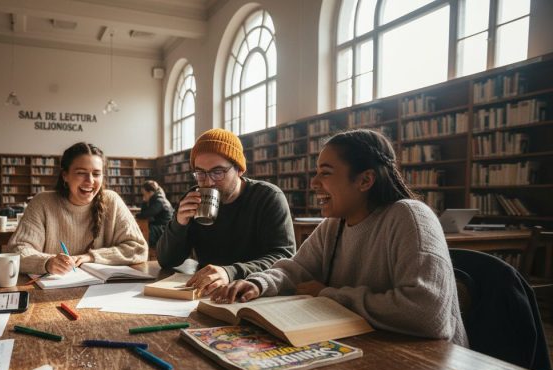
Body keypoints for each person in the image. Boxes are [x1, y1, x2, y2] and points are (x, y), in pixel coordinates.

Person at [214, 129, 467, 346]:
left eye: (325, 173)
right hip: (369, 346)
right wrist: (259, 283)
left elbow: (428, 314)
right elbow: (295, 270)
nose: (313, 183)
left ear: (365, 180)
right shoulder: (334, 225)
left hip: (430, 366)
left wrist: (327, 294)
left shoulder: (409, 217)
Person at [157, 128, 296, 296]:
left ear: (239, 169)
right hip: (206, 292)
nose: (208, 182)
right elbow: (166, 260)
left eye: (218, 172)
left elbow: (284, 258)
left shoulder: (267, 197)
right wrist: (178, 224)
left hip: (251, 293)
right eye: (200, 173)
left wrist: (230, 272)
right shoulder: (193, 197)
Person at [8, 142, 148, 274]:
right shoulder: (42, 202)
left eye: (96, 173)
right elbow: (17, 250)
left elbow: (138, 249)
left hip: (102, 291)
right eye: (81, 173)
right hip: (53, 290)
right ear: (65, 175)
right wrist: (47, 262)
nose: (90, 181)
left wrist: (90, 257)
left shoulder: (112, 201)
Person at [136, 180, 174, 247]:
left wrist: (144, 203)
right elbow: (144, 214)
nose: (143, 196)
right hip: (160, 225)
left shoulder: (159, 200)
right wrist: (145, 202)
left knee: (145, 230)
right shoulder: (156, 198)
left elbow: (145, 214)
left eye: (144, 194)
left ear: (150, 192)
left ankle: (150, 249)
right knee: (144, 228)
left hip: (165, 228)